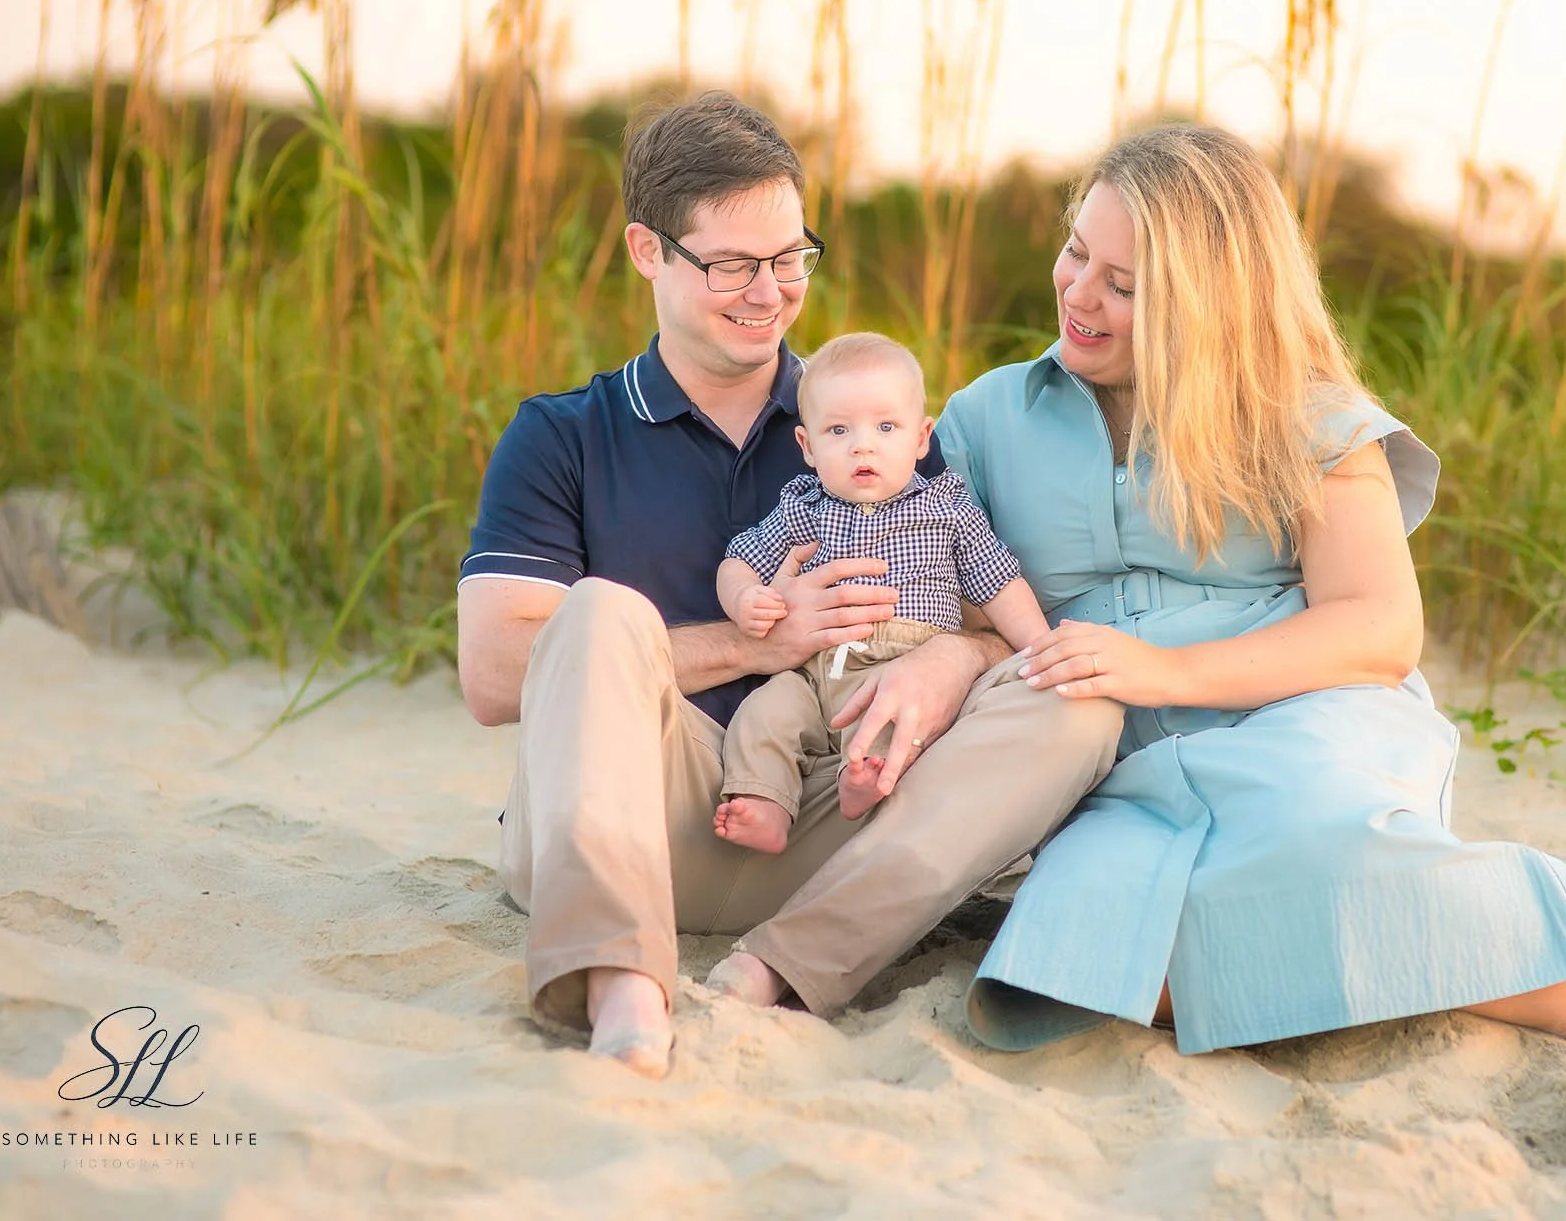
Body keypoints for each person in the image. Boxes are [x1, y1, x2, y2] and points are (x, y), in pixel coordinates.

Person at [933, 123, 1566, 1103]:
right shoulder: (985, 418)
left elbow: (1378, 626)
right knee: (1087, 960)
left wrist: (1169, 669)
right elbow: (930, 587)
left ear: (1208, 302)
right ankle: (1403, 945)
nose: (1078, 292)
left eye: (1125, 285)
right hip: (1110, 761)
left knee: (1318, 847)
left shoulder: (1305, 416)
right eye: (1075, 253)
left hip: (1298, 718)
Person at [455, 92, 1122, 1079]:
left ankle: (782, 962)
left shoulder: (863, 418)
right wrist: (751, 642)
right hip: (633, 808)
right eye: (730, 264)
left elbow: (989, 607)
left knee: (1079, 703)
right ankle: (620, 980)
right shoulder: (562, 435)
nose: (766, 292)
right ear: (646, 251)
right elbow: (495, 672)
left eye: (788, 258)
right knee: (600, 611)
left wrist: (950, 658)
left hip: (831, 815)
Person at [714, 332, 1051, 854]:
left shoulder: (945, 510)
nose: (862, 445)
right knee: (763, 715)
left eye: (886, 427)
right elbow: (739, 560)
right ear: (807, 447)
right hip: (812, 672)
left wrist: (1041, 648)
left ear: (921, 438)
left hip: (902, 662)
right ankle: (764, 802)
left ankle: (864, 781)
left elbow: (1000, 585)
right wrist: (742, 600)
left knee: (895, 720)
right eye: (838, 430)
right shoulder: (803, 509)